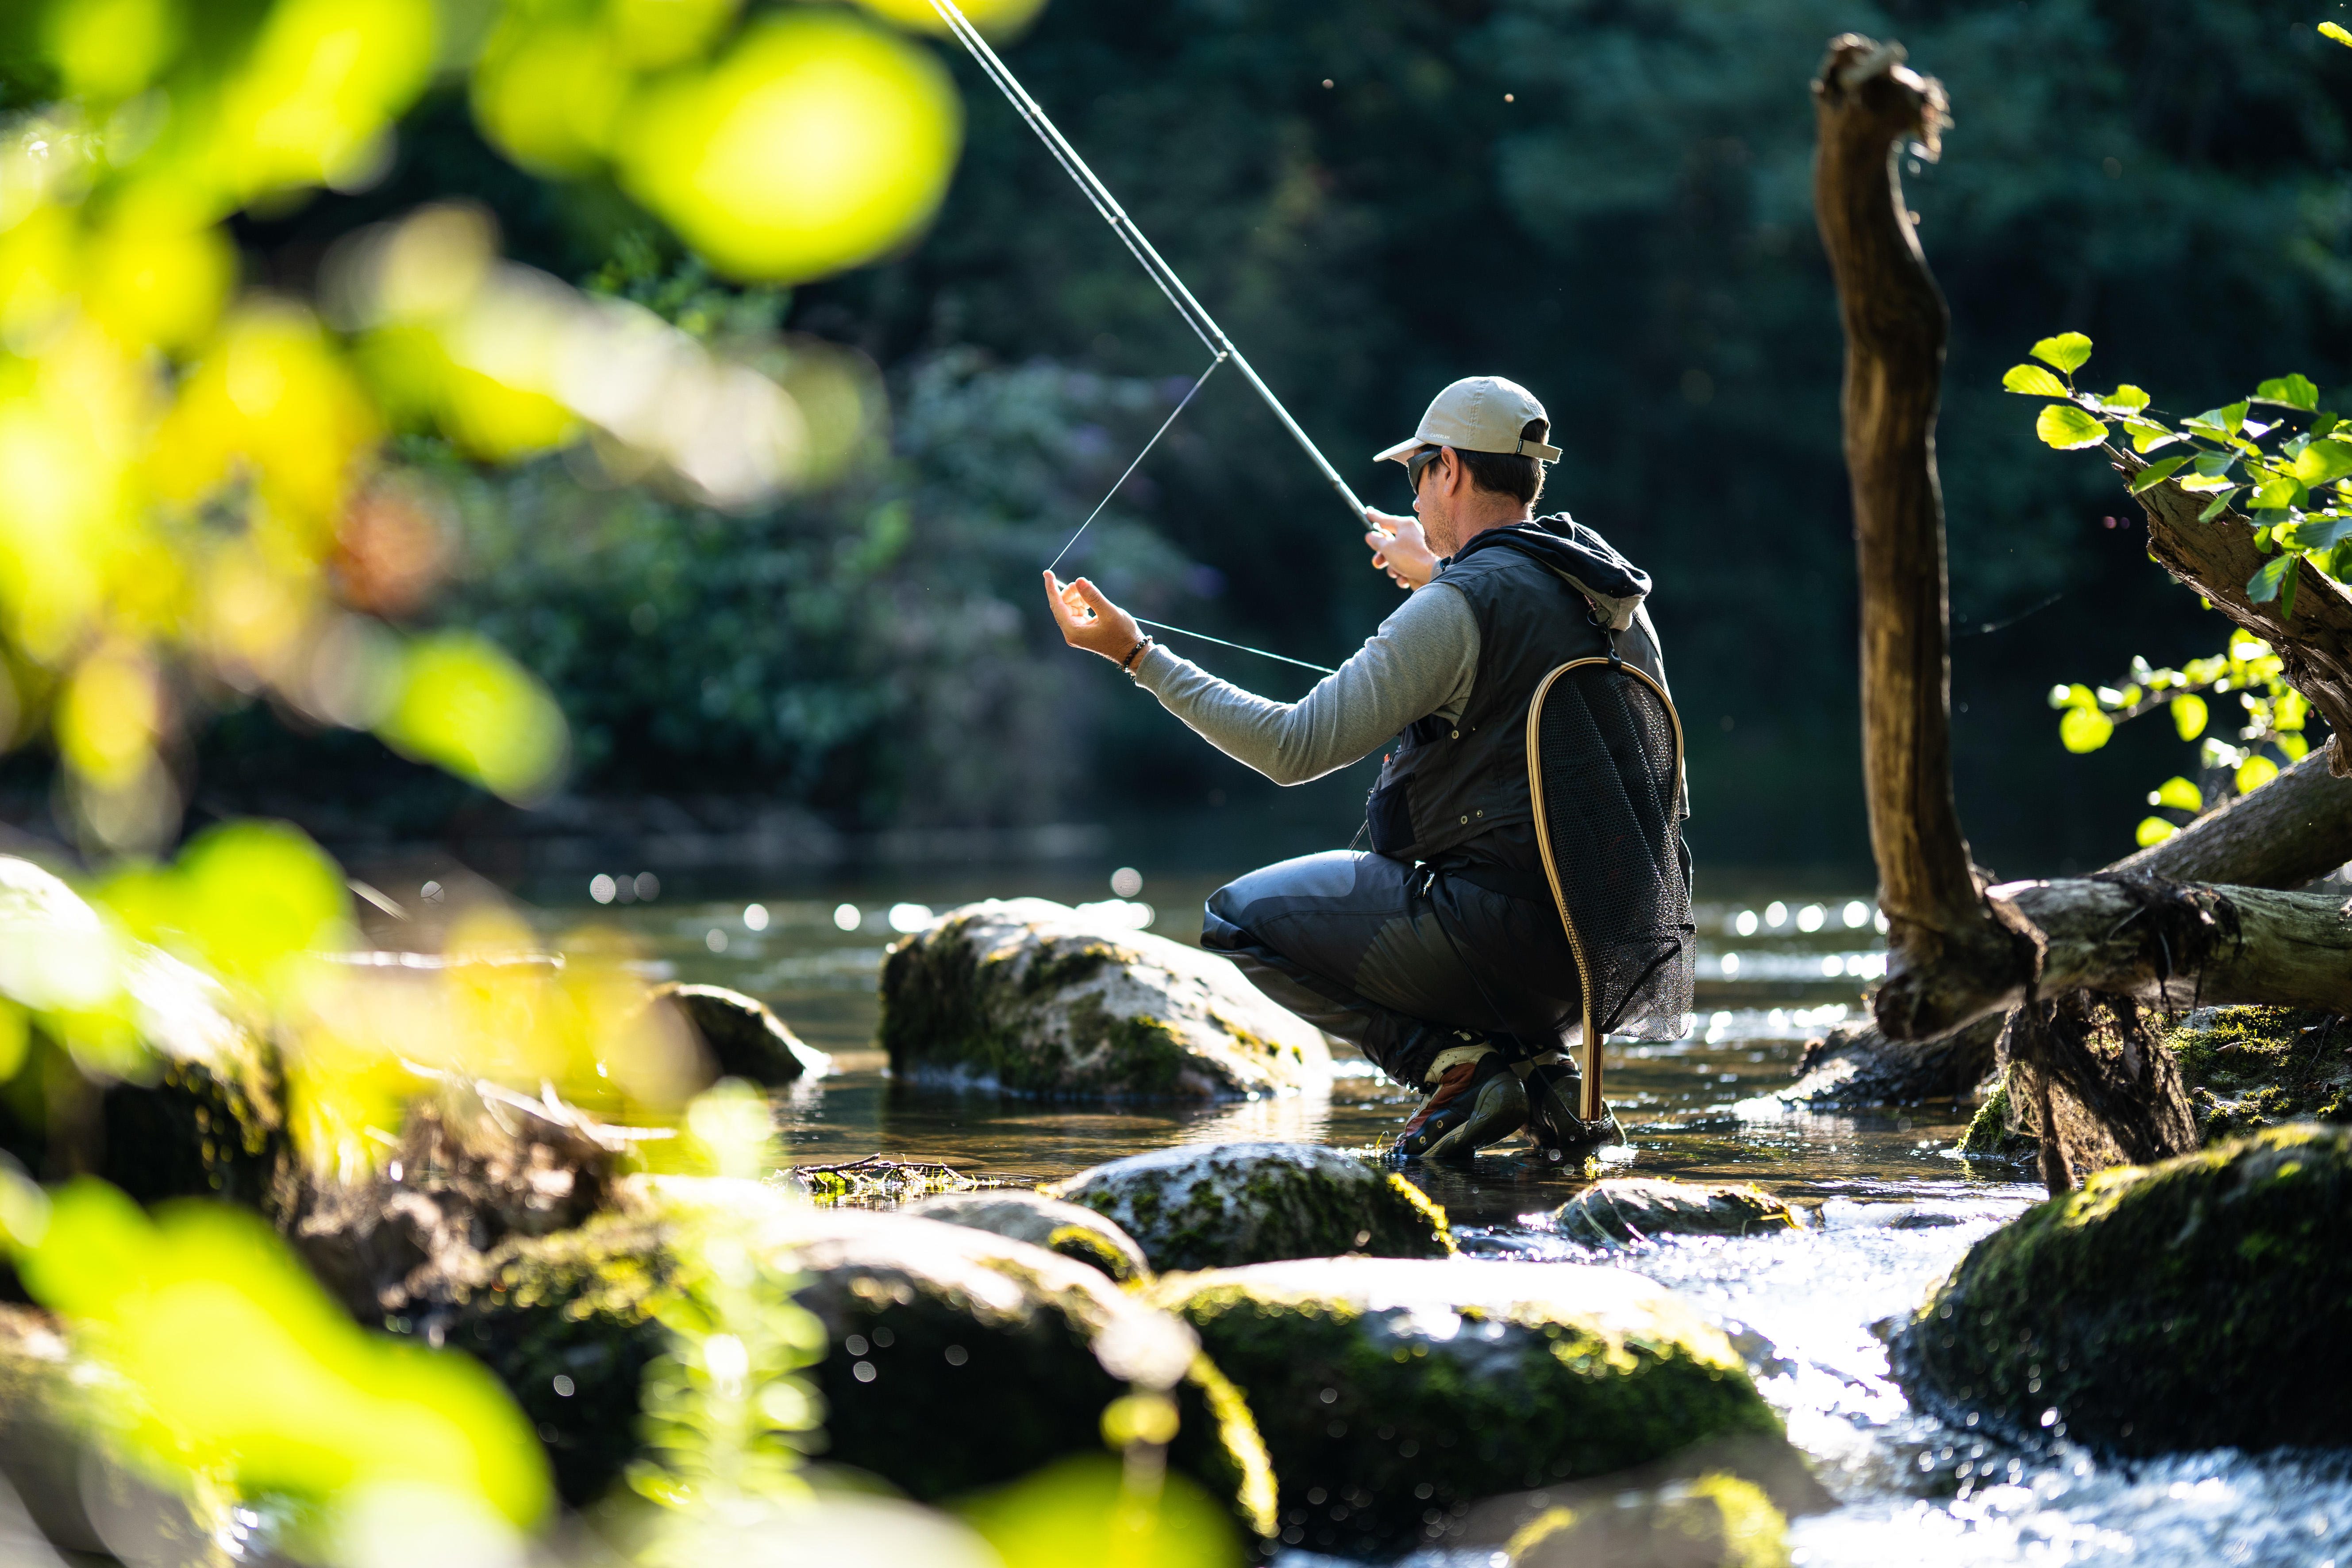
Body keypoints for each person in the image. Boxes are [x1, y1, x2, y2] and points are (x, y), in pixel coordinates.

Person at [1043, 375, 1672, 1161]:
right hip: (1605, 961)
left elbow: (1292, 747)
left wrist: (1138, 656)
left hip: (1500, 948)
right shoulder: (1611, 596)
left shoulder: (1456, 608)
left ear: (1449, 469)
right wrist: (1446, 574)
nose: (1412, 496)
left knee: (1237, 919)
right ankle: (1539, 1074)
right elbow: (1527, 640)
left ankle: (1463, 1069)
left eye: (1417, 474)